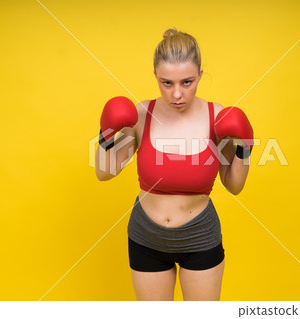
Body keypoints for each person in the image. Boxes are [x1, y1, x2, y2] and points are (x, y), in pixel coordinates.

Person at [95, 28, 253, 301]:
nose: (177, 94)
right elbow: (104, 173)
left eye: (187, 82)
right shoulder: (143, 114)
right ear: (155, 76)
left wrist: (245, 146)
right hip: (146, 236)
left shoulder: (218, 117)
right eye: (167, 83)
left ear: (201, 75)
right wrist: (105, 135)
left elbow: (234, 185)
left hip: (200, 236)